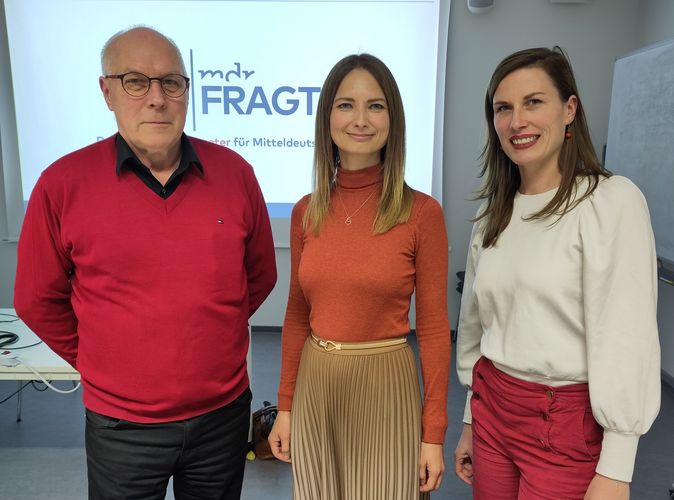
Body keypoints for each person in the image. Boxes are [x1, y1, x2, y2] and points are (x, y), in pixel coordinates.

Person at [14, 27, 276, 500]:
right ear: (107, 91)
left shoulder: (235, 174)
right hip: (121, 427)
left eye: (171, 82)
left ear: (186, 93)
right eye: (136, 81)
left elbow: (259, 276)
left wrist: (207, 338)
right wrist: (102, 359)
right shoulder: (62, 184)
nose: (157, 98)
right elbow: (37, 299)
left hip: (222, 416)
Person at [453, 46, 661, 500]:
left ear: (569, 109)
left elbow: (627, 338)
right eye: (503, 108)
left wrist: (617, 468)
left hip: (563, 424)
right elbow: (476, 327)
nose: (516, 121)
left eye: (534, 102)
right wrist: (471, 418)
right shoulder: (493, 213)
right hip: (492, 410)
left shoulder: (610, 202)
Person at [267, 53, 451, 499]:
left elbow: (431, 330)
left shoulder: (421, 213)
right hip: (317, 381)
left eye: (376, 105)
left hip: (386, 381)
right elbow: (296, 316)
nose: (361, 119)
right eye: (346, 105)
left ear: (394, 118)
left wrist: (433, 434)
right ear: (327, 115)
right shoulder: (306, 211)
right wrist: (285, 407)